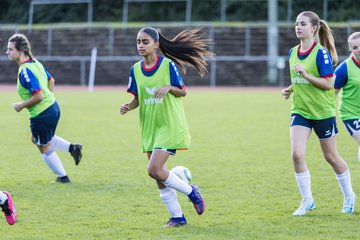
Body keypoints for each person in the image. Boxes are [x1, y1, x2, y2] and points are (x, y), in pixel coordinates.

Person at [120, 27, 214, 227]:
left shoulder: (167, 65)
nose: (140, 45)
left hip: (169, 125)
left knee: (153, 169)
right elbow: (137, 98)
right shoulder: (135, 70)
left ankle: (191, 192)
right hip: (149, 127)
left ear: (156, 44)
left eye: (145, 42)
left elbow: (182, 92)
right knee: (158, 176)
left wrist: (169, 88)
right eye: (138, 42)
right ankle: (178, 217)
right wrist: (128, 106)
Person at [281, 11, 356, 216]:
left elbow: (328, 83)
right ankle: (307, 200)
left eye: (303, 24)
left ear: (314, 28)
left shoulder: (321, 53)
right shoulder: (292, 52)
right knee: (296, 154)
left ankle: (349, 195)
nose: (298, 27)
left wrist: (304, 73)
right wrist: (290, 89)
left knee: (331, 157)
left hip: (322, 113)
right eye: (297, 23)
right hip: (301, 111)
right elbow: (300, 80)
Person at [6, 33, 83, 183]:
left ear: (20, 51)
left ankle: (63, 177)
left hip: (41, 114)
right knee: (38, 139)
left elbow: (39, 96)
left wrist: (20, 105)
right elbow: (51, 80)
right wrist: (48, 100)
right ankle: (73, 148)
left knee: (43, 147)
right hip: (53, 107)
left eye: (10, 49)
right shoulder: (35, 63)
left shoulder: (25, 71)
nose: (7, 52)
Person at [334, 32, 360, 161]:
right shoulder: (343, 69)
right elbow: (330, 94)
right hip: (351, 114)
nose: (359, 49)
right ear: (350, 49)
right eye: (355, 47)